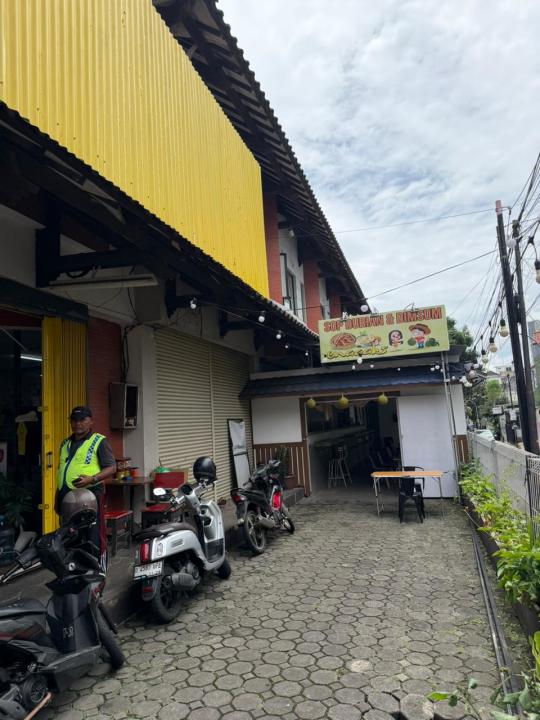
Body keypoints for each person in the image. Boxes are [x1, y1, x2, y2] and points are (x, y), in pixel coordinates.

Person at [55, 406, 116, 569]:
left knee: (93, 536)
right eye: (74, 420)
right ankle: (75, 571)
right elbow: (62, 471)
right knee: (70, 537)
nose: (77, 424)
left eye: (82, 420)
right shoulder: (65, 443)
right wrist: (57, 498)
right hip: (67, 500)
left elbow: (112, 467)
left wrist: (92, 479)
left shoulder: (99, 441)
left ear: (91, 422)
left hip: (90, 498)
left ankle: (99, 572)